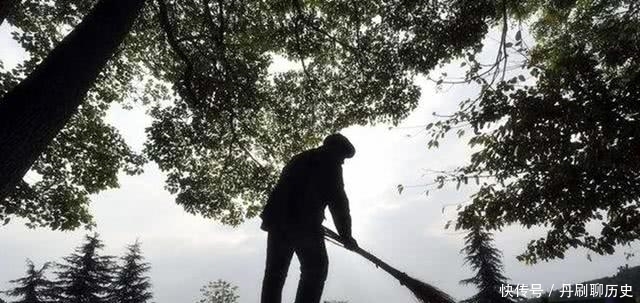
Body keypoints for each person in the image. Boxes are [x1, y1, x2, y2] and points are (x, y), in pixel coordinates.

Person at [259, 133, 359, 303]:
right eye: (342, 157)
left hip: (277, 222)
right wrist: (346, 235)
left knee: (275, 273)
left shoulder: (299, 158)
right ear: (334, 149)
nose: (342, 162)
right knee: (316, 268)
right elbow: (338, 202)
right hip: (304, 225)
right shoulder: (330, 163)